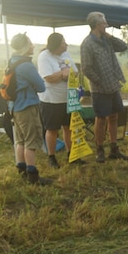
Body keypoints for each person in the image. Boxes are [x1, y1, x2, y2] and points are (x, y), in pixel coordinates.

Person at [80, 11, 128, 163]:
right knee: (101, 119)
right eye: (103, 23)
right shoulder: (87, 44)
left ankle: (114, 149)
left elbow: (123, 46)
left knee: (114, 116)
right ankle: (100, 149)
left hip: (113, 84)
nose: (106, 25)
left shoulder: (107, 40)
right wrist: (99, 81)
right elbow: (86, 68)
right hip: (99, 88)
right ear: (96, 25)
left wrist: (109, 36)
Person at [8, 33, 50, 185]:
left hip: (15, 107)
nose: (33, 46)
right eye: (30, 43)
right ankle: (33, 175)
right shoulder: (26, 65)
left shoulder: (12, 62)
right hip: (28, 107)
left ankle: (22, 170)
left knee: (21, 140)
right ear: (25, 46)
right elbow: (41, 86)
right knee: (31, 142)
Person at [37, 32, 79, 168]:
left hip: (67, 98)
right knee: (52, 129)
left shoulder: (66, 55)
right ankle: (52, 156)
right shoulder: (44, 57)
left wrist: (66, 74)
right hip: (51, 99)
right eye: (63, 43)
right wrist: (63, 73)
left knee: (68, 127)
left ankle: (71, 153)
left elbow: (75, 71)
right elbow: (48, 78)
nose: (66, 45)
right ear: (55, 45)